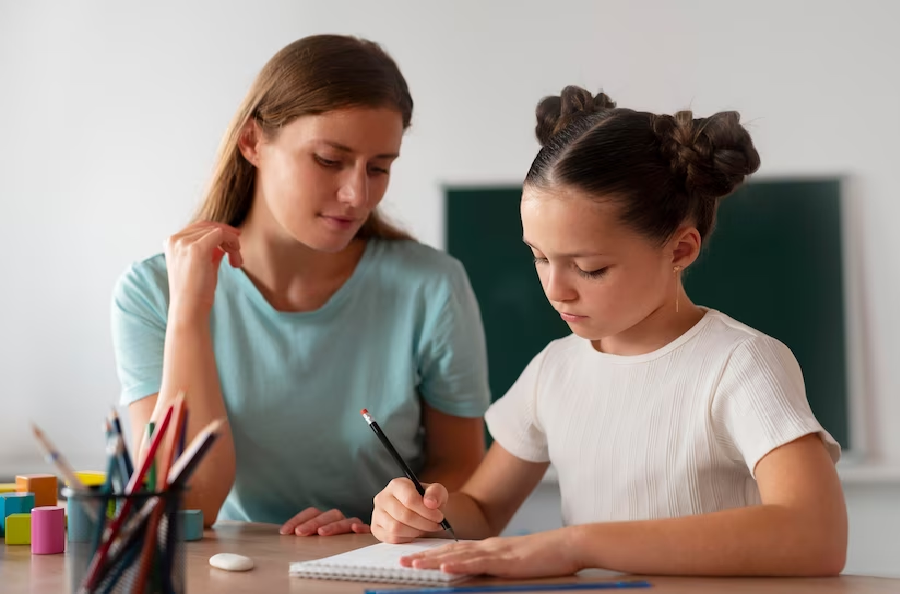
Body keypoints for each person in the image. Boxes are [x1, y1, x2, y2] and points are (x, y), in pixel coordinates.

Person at [370, 86, 847, 577]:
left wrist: (579, 545)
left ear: (681, 250)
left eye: (590, 268)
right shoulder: (554, 369)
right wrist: (420, 514)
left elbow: (816, 535)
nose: (556, 290)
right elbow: (483, 511)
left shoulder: (739, 365)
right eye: (538, 256)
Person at [110, 34, 490, 535]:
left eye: (379, 168)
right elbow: (186, 507)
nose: (357, 194)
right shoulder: (152, 292)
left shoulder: (432, 287)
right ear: (253, 142)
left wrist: (396, 519)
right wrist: (188, 314)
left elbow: (464, 472)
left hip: (380, 566)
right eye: (330, 160)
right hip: (230, 576)